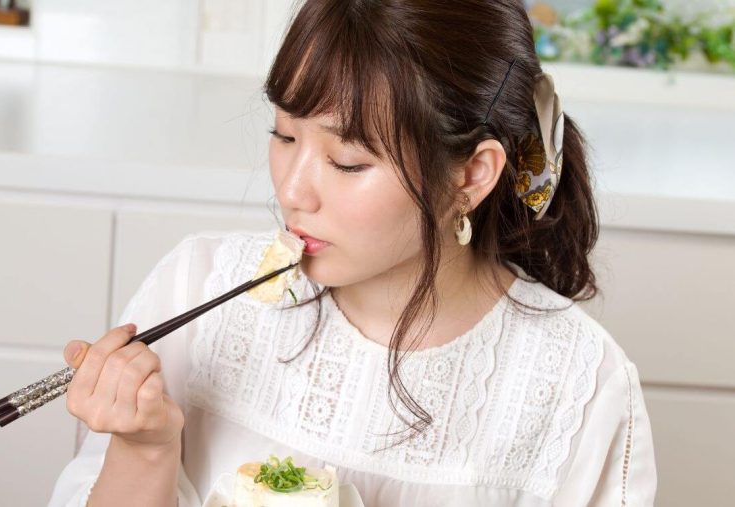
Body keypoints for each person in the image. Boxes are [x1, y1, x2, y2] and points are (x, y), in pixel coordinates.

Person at [48, 1, 657, 506]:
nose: (291, 190)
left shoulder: (581, 383)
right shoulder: (197, 285)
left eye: (348, 162)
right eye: (284, 136)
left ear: (471, 175)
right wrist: (144, 449)